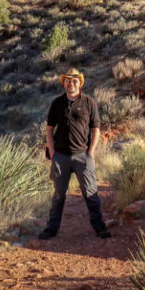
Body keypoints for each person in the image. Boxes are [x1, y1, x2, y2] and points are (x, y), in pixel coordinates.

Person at [39, 67, 111, 239]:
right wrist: (53, 151)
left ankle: (99, 227)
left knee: (91, 193)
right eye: (68, 81)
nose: (71, 83)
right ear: (64, 83)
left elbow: (96, 128)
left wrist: (91, 151)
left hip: (82, 155)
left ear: (79, 83)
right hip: (61, 157)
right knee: (58, 195)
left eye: (74, 80)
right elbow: (49, 129)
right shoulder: (57, 103)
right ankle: (51, 229)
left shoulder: (89, 103)